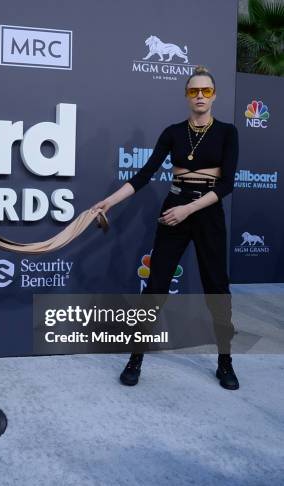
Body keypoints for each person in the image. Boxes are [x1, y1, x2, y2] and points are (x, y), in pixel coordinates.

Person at [91, 66, 240, 390]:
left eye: (206, 91)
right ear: (187, 96)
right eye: (193, 91)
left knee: (217, 287)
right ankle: (136, 358)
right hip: (174, 208)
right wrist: (109, 202)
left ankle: (225, 361)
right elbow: (142, 177)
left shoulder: (227, 132)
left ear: (214, 95)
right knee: (156, 285)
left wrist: (188, 209)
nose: (199, 96)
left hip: (205, 211)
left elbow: (226, 183)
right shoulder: (173, 132)